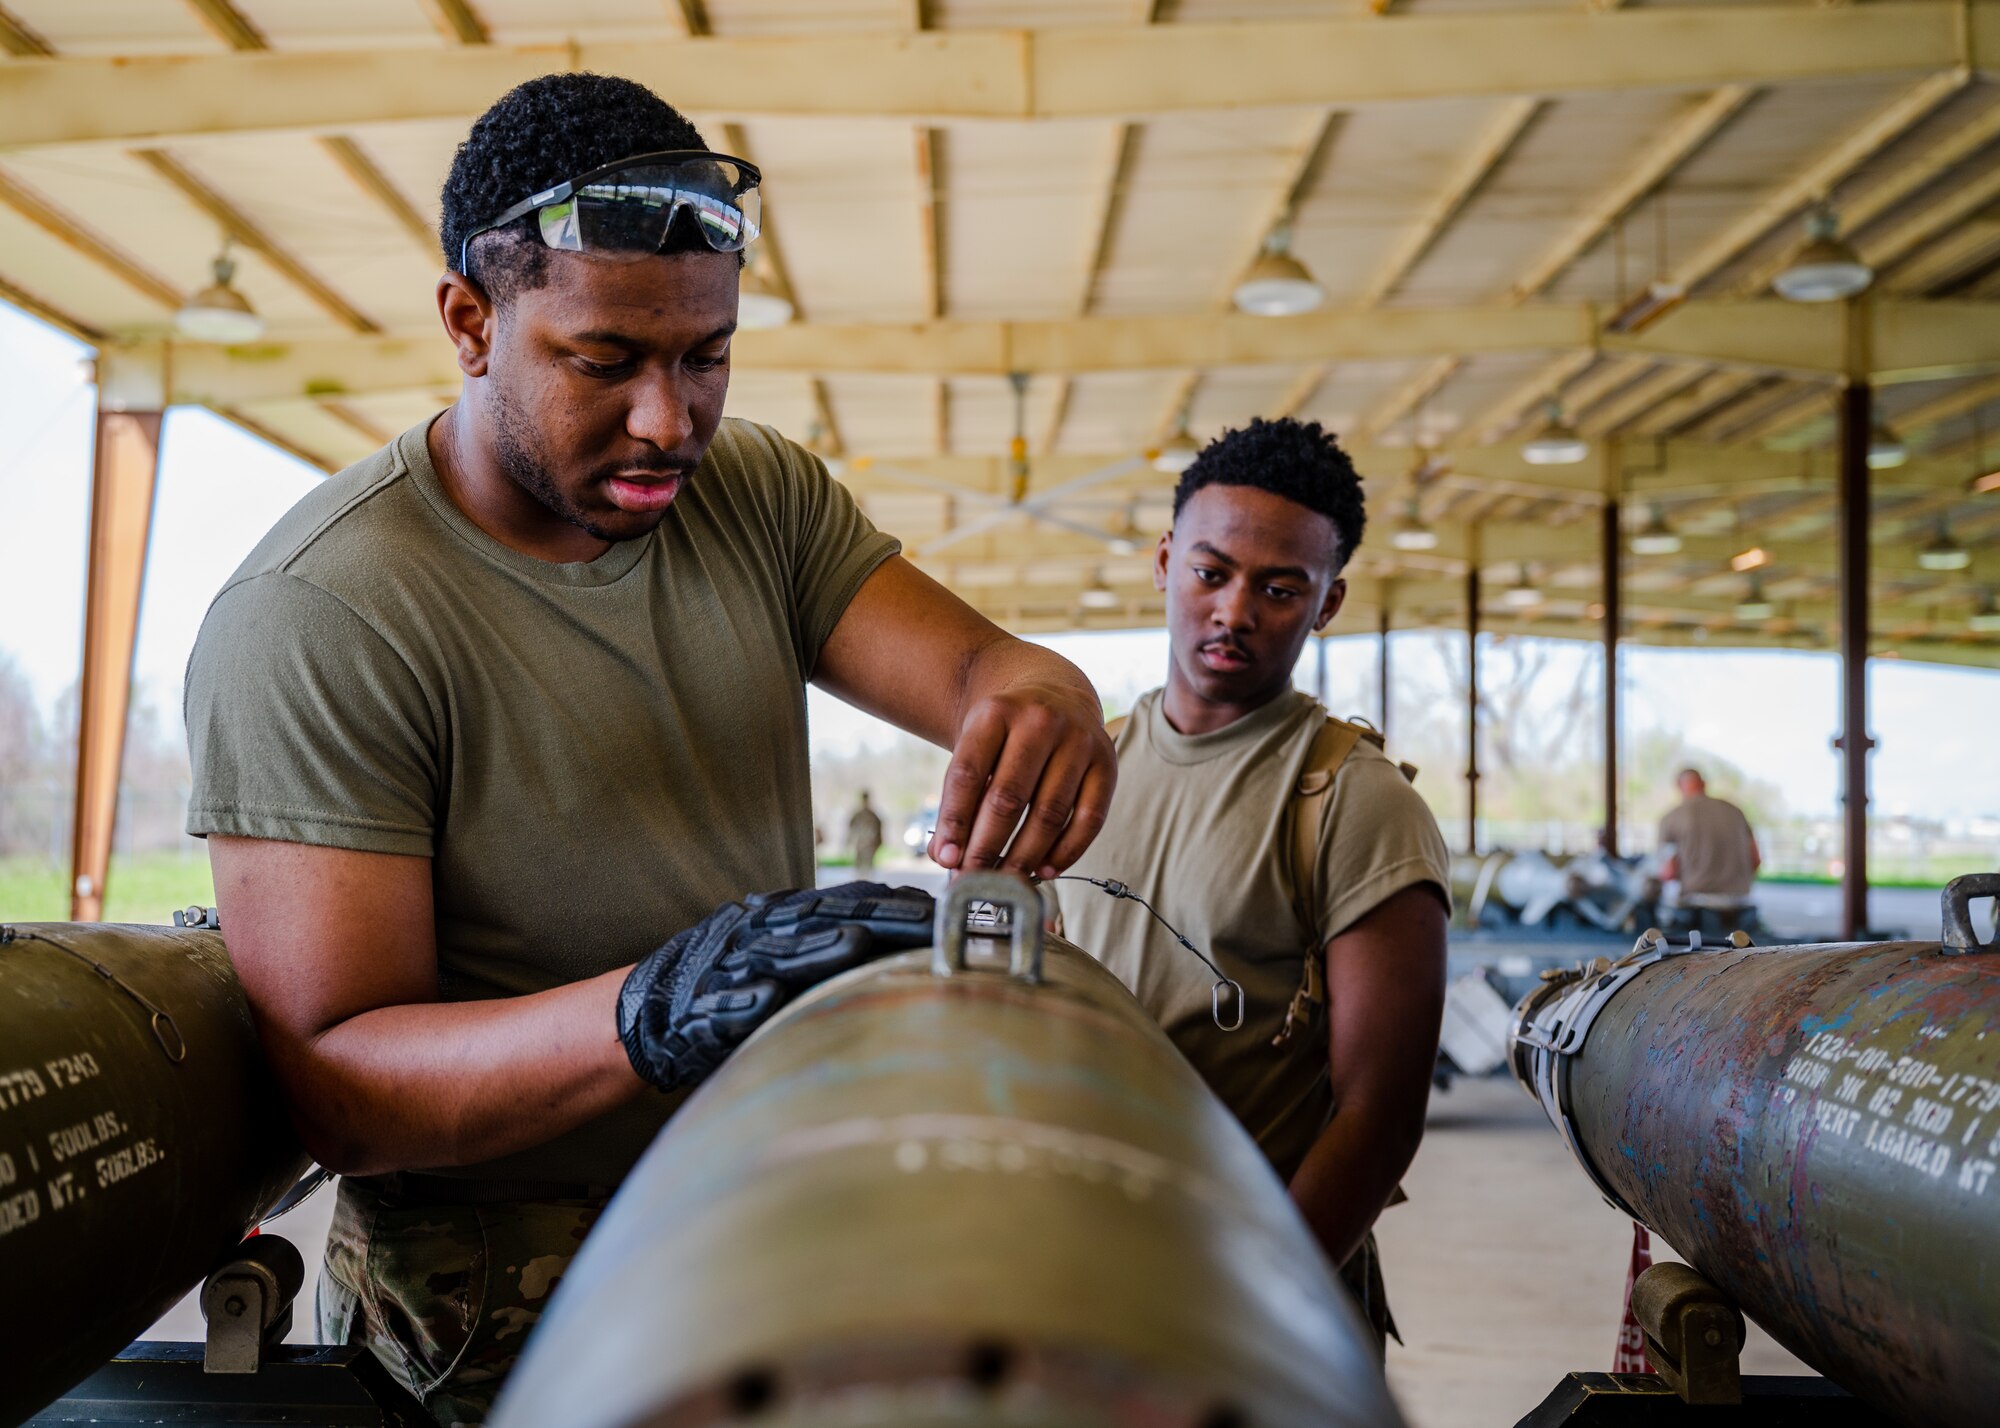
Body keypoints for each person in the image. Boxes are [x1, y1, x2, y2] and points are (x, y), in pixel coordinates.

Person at [182, 74, 1114, 1425]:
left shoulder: (753, 496)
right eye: (604, 361)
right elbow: (344, 1089)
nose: (670, 421)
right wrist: (659, 1006)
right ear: (469, 320)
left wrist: (1047, 691)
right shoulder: (326, 615)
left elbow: (984, 672)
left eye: (708, 356)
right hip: (505, 1290)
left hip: (762, 1199)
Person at [1056, 417, 1451, 1358]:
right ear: (1164, 562)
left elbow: (1379, 1115)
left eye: (1281, 589)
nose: (1235, 611)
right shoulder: (1085, 765)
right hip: (1079, 1272)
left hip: (1257, 1305)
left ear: (1329, 602)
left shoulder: (1355, 803)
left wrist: (1254, 1296)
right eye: (1211, 572)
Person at [1658, 767, 1761, 936]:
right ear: (1704, 784)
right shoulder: (1735, 811)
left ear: (1678, 787)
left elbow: (1668, 873)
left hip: (1696, 907)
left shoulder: (1672, 817)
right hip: (1741, 904)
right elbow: (1756, 859)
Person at [848, 791, 884, 872]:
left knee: (868, 867)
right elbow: (851, 827)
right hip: (860, 844)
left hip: (870, 844)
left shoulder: (872, 815)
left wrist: (877, 842)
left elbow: (878, 829)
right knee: (859, 867)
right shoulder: (858, 814)